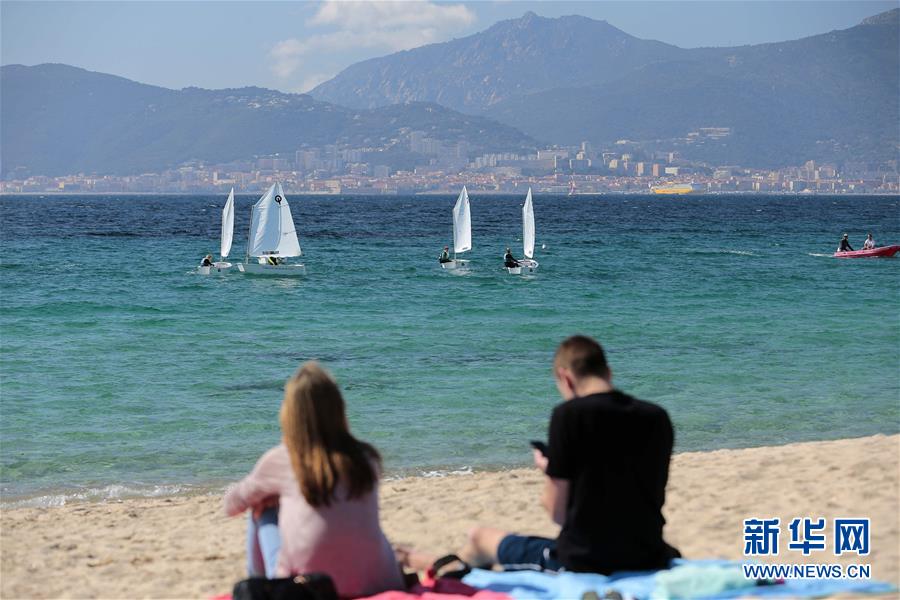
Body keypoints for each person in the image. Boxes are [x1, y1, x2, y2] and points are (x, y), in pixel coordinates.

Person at [451, 335, 680, 574]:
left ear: (566, 378)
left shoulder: (569, 415)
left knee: (479, 538)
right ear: (608, 372)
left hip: (584, 559)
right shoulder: (657, 416)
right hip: (649, 554)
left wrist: (551, 471)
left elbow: (557, 513)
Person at [223, 362, 404, 597]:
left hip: (309, 589)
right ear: (339, 407)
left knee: (261, 508)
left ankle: (260, 587)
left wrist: (268, 495)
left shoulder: (282, 459)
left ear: (290, 413)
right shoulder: (366, 457)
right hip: (380, 581)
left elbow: (231, 505)